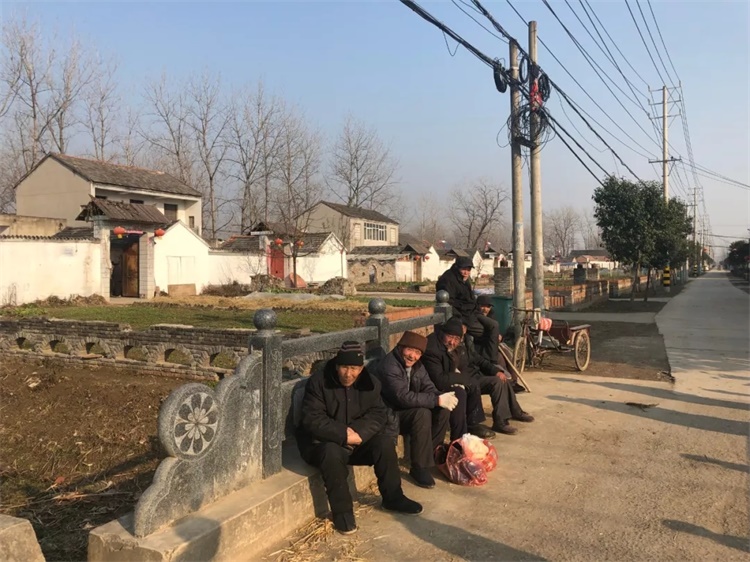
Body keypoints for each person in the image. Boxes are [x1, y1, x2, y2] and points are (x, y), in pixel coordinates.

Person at [297, 341, 423, 535]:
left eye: (354, 368)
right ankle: (343, 513)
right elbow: (312, 419)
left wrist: (359, 433)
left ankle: (393, 498)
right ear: (337, 366)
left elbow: (378, 414)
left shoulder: (370, 383)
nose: (349, 374)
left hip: (356, 441)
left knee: (383, 443)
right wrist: (343, 434)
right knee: (331, 453)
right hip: (323, 442)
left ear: (361, 368)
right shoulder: (319, 382)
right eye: (344, 367)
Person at [377, 331, 463, 489]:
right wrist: (436, 400)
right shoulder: (390, 365)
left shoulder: (418, 366)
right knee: (422, 413)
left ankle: (431, 453)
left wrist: (441, 396)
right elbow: (401, 397)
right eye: (409, 350)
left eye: (418, 352)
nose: (413, 356)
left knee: (442, 410)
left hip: (404, 410)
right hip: (389, 414)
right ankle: (419, 467)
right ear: (400, 347)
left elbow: (428, 387)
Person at [455, 318, 534, 435]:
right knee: (497, 382)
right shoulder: (453, 344)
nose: (463, 330)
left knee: (503, 379)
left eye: (465, 328)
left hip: (475, 375)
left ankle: (515, 411)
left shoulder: (466, 341)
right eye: (461, 328)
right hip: (466, 380)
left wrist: (496, 371)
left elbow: (478, 359)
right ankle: (500, 422)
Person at [422, 318, 496, 440]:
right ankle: (458, 438)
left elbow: (463, 364)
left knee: (472, 384)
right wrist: (461, 379)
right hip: (430, 387)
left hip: (446, 378)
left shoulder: (454, 346)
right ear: (443, 334)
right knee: (459, 392)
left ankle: (472, 425)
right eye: (450, 337)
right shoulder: (432, 348)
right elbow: (438, 380)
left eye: (456, 339)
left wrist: (463, 378)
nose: (452, 342)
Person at [436, 256, 500, 362]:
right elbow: (449, 303)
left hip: (472, 312)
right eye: (464, 269)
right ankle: (486, 360)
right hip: (462, 315)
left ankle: (492, 359)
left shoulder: (465, 279)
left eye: (468, 269)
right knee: (486, 332)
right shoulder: (448, 279)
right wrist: (460, 321)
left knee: (494, 325)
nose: (466, 272)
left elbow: (470, 299)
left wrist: (477, 310)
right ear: (457, 267)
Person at [476, 294, 526, 393]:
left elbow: (495, 332)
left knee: (507, 354)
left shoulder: (491, 316)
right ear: (477, 305)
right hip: (481, 347)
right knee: (500, 359)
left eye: (488, 306)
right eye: (483, 306)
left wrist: (498, 336)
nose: (485, 309)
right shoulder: (475, 318)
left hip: (492, 344)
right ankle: (507, 382)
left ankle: (514, 381)